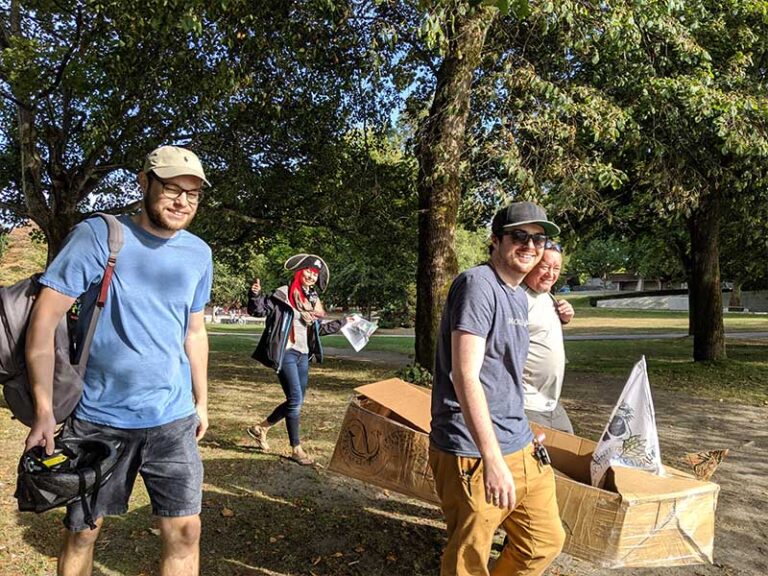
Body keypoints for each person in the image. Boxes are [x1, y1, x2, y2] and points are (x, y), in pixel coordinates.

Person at [25, 145, 213, 576]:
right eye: (171, 188)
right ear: (144, 182)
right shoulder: (98, 237)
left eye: (193, 194)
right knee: (83, 532)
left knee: (185, 532)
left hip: (172, 421)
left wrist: (202, 401)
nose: (183, 201)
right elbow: (43, 324)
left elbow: (195, 331)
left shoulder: (199, 254)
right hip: (98, 420)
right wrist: (43, 409)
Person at [429, 201, 565, 576]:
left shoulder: (519, 295)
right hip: (472, 448)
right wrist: (491, 458)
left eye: (538, 239)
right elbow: (465, 375)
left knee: (544, 541)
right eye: (519, 236)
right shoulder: (477, 284)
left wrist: (521, 422)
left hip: (519, 441)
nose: (530, 245)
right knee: (468, 559)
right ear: (495, 240)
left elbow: (503, 373)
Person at [246, 254, 346, 466]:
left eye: (315, 274)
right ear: (300, 271)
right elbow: (258, 310)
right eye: (308, 271)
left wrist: (344, 323)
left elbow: (320, 330)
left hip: (303, 354)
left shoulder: (311, 302)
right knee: (295, 400)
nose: (311, 276)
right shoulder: (282, 295)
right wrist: (254, 295)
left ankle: (261, 428)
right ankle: (296, 449)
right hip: (286, 353)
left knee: (296, 400)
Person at [522, 240, 575, 434]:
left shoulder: (548, 297)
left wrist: (565, 318)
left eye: (556, 268)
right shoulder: (517, 298)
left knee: (570, 454)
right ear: (532, 264)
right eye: (545, 266)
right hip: (526, 403)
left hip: (552, 403)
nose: (550, 274)